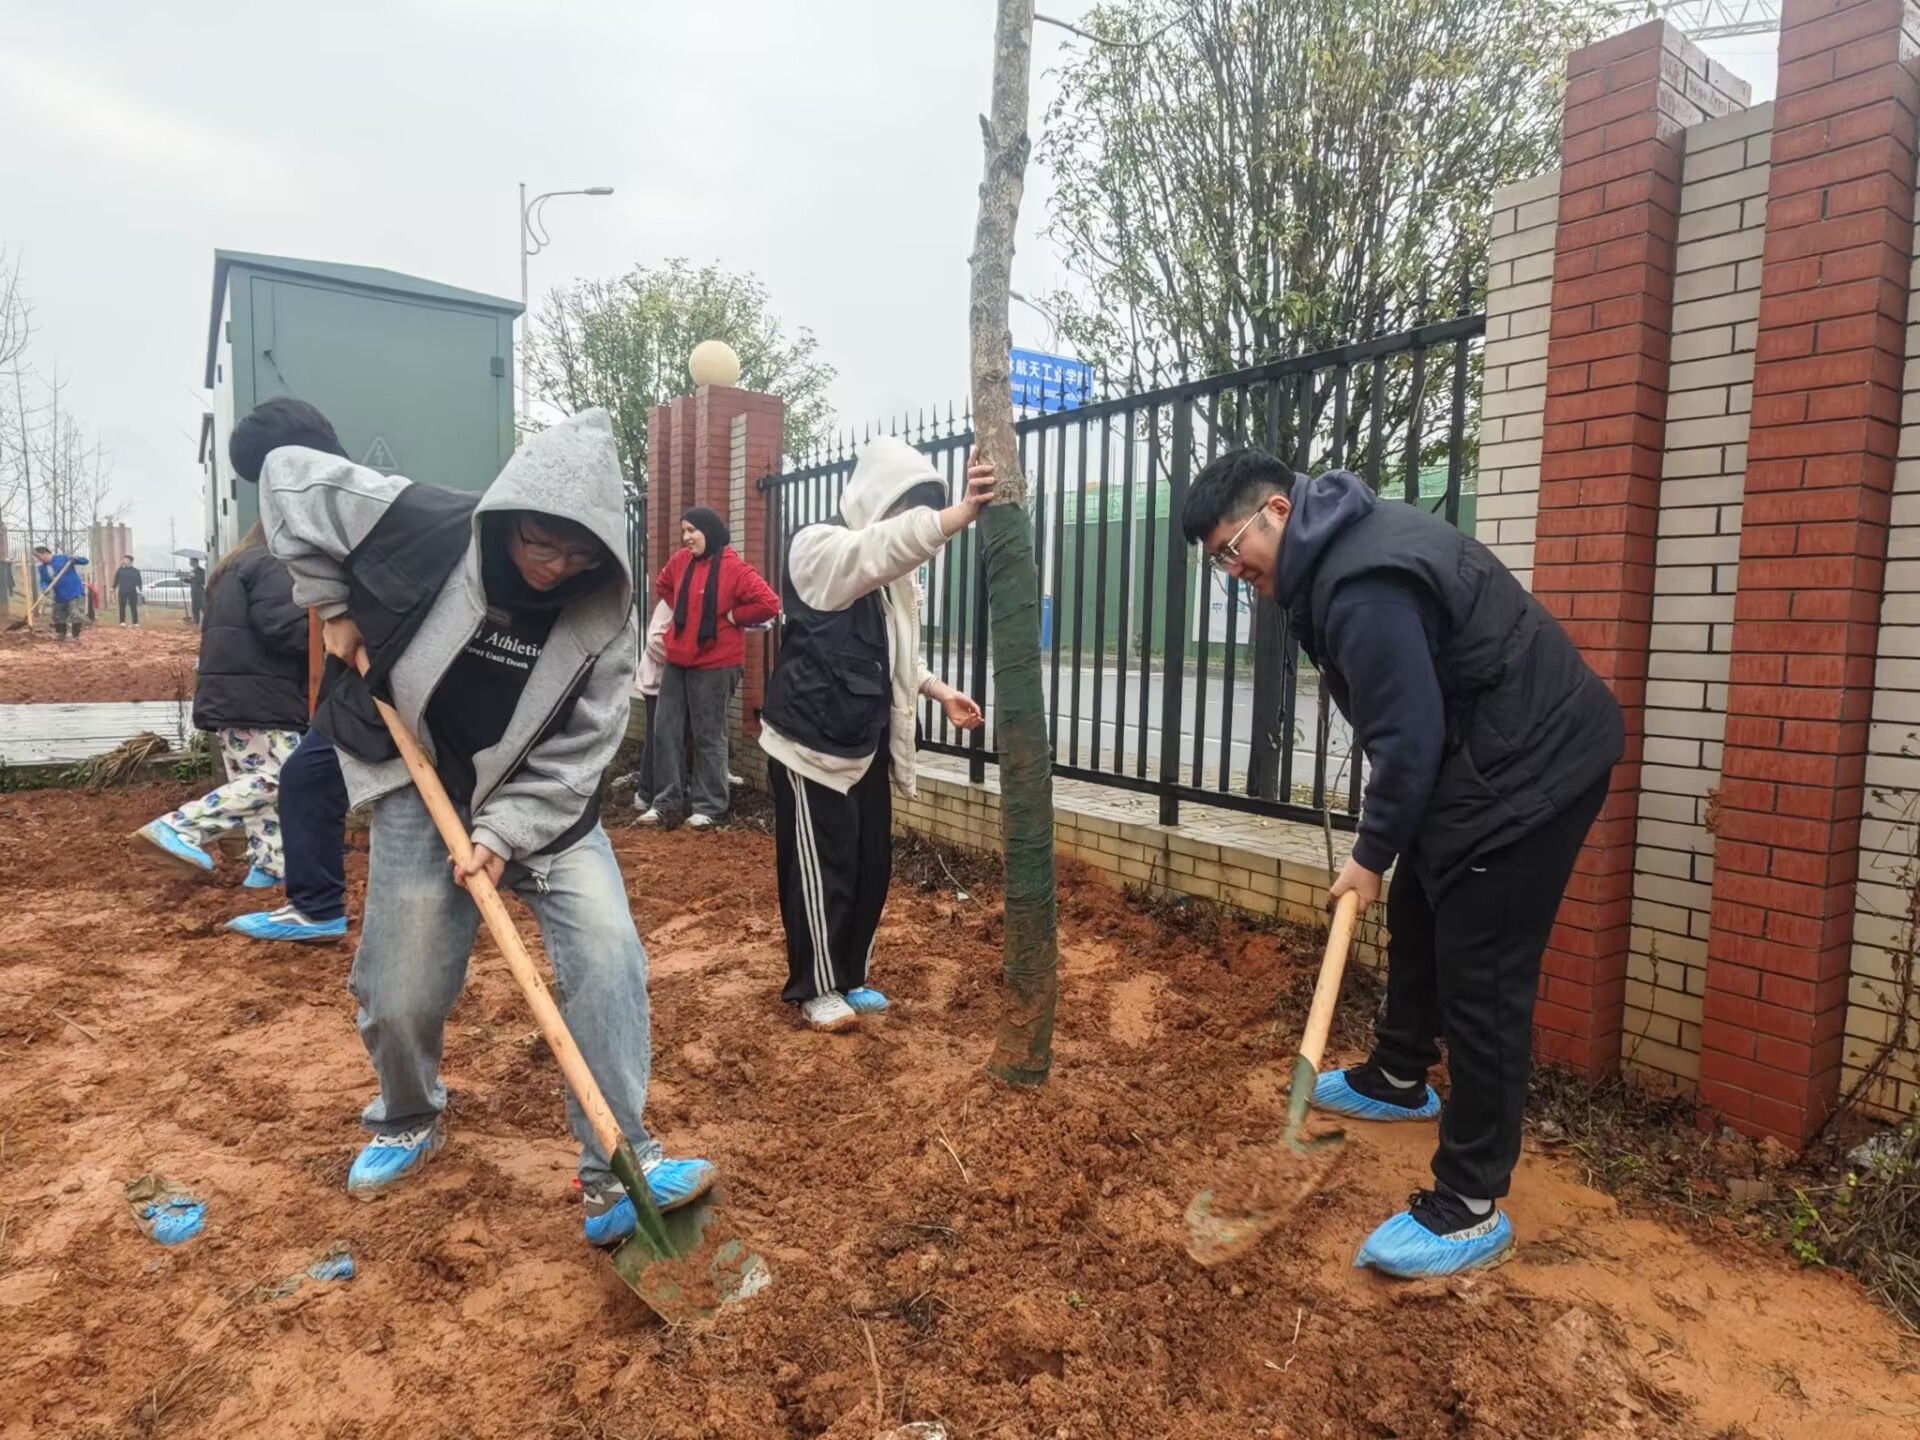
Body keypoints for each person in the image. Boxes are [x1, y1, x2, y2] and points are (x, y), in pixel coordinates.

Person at [257, 406, 713, 1241]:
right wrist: (329, 603)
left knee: (610, 957)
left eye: (576, 553)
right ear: (509, 516)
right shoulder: (426, 524)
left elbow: (585, 747)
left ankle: (621, 1166)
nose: (554, 566)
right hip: (420, 781)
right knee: (399, 985)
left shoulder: (604, 611)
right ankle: (407, 1114)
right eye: (540, 543)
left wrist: (502, 833)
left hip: (547, 810)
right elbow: (287, 473)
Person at [1179, 449, 1623, 1279]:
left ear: (1277, 510)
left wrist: (1370, 853)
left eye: (1233, 546)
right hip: (1480, 758)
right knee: (1421, 904)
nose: (1232, 569)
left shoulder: (1361, 585)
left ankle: (1469, 1203)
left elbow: (1406, 738)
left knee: (1482, 974)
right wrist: (1395, 850)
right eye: (1217, 560)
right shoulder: (1337, 554)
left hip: (1535, 772)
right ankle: (1396, 1075)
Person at [759, 437, 991, 1031]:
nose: (910, 524)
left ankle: (853, 974)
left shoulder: (894, 584)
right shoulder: (820, 548)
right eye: (903, 508)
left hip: (864, 744)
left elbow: (897, 657)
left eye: (919, 508)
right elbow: (875, 550)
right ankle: (815, 985)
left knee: (869, 866)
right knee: (822, 866)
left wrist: (940, 692)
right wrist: (954, 515)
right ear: (875, 501)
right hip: (810, 744)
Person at [220, 399, 355, 944]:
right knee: (308, 776)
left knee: (310, 776)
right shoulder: (326, 498)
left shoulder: (343, 499)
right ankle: (317, 908)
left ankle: (318, 908)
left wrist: (348, 616)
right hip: (358, 666)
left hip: (391, 666)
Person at [131, 519, 309, 886]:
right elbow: (286, 629)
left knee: (258, 787)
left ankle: (269, 869)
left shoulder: (234, 566)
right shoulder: (272, 565)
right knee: (291, 779)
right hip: (264, 696)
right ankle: (180, 828)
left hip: (233, 696)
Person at [635, 508, 778, 830]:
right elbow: (663, 586)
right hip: (678, 658)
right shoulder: (680, 562)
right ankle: (665, 802)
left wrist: (731, 617)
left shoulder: (734, 568)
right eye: (684, 530)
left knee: (708, 734)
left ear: (710, 531)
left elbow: (769, 603)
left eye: (692, 531)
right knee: (666, 730)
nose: (686, 537)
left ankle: (709, 805)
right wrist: (688, 607)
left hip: (716, 663)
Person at [627, 598, 673, 815]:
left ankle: (654, 790)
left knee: (665, 738)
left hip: (670, 683)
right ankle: (646, 793)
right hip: (656, 683)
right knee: (657, 738)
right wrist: (682, 659)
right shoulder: (669, 602)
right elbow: (654, 640)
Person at [32, 544, 88, 641]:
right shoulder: (42, 568)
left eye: (38, 556)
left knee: (75, 614)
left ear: (45, 553)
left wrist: (77, 559)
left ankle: (75, 636)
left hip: (74, 592)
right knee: (58, 615)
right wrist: (44, 588)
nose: (38, 559)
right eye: (36, 557)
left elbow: (85, 561)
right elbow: (44, 581)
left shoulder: (64, 559)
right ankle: (60, 635)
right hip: (59, 595)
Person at [114, 558, 143, 626]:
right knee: (122, 606)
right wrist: (113, 587)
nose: (124, 561)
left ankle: (135, 622)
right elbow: (116, 580)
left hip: (132, 591)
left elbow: (139, 581)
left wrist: (140, 588)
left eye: (126, 560)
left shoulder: (135, 571)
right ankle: (122, 622)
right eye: (123, 560)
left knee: (133, 606)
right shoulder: (120, 570)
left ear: (130, 562)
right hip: (122, 591)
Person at [187, 558, 207, 627]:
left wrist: (195, 576)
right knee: (194, 608)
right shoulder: (192, 571)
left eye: (190, 561)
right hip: (194, 591)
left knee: (203, 607)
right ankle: (196, 622)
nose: (189, 563)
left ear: (195, 562)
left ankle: (207, 622)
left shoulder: (201, 571)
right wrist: (184, 579)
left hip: (200, 592)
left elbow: (203, 581)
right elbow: (191, 581)